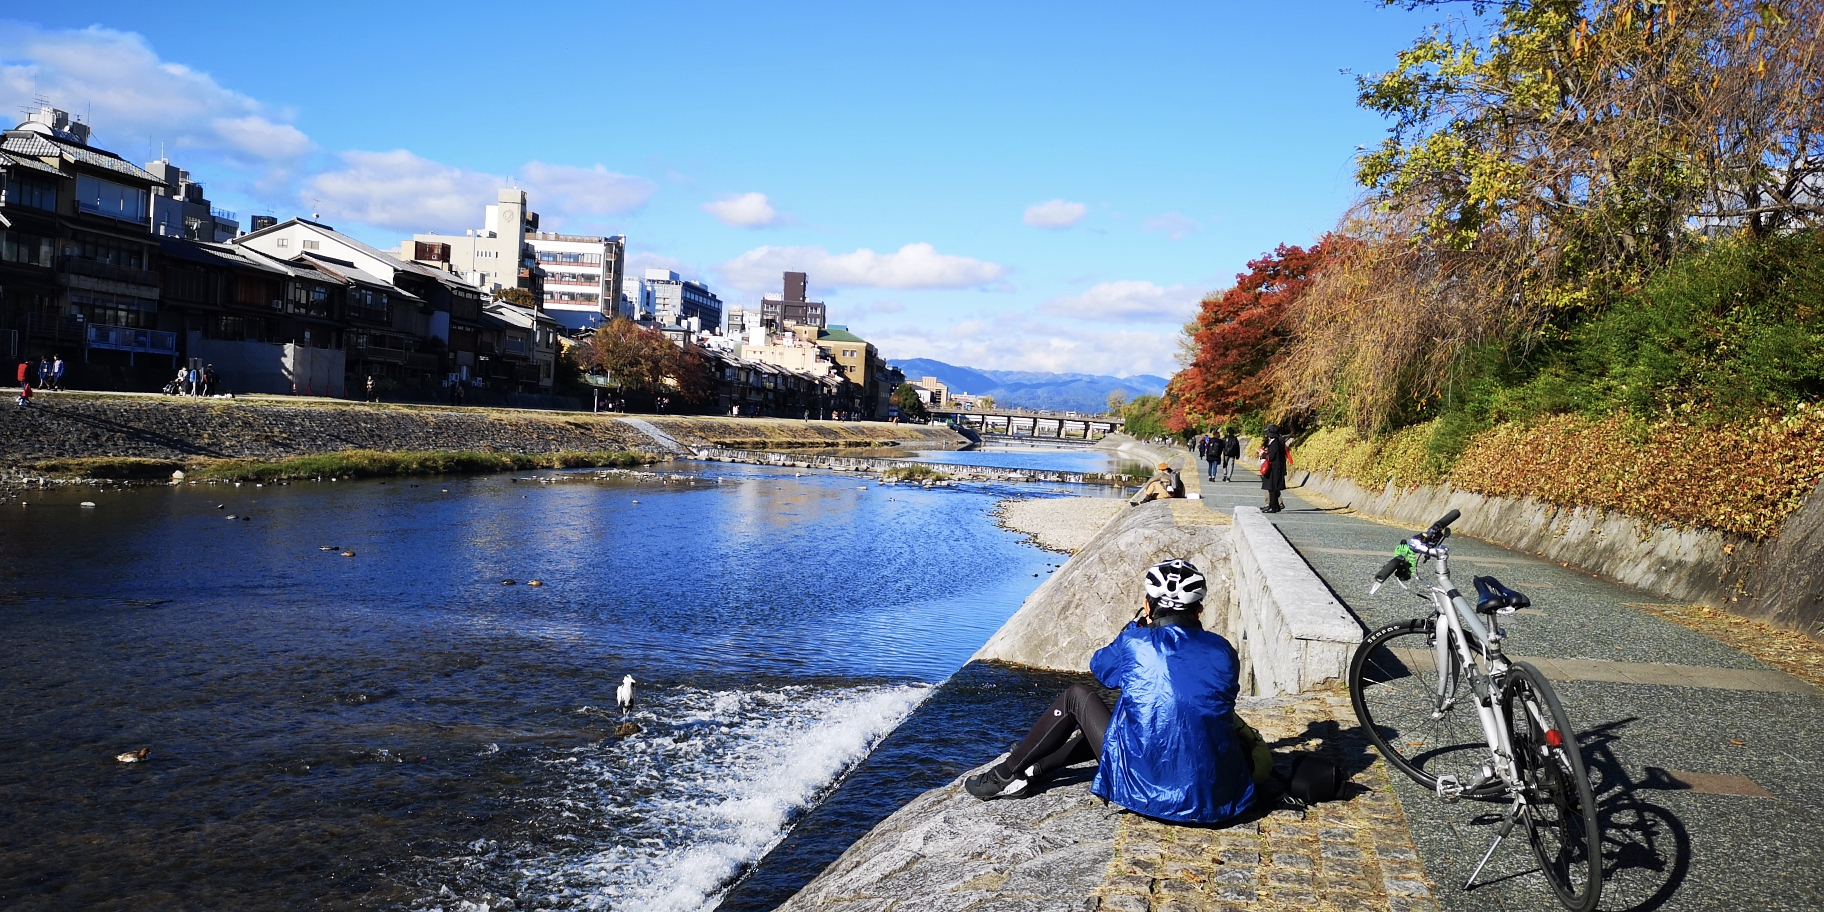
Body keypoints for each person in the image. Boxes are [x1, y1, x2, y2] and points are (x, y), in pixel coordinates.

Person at [964, 559, 1258, 826]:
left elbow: (1101, 669)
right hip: (1215, 795)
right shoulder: (1223, 650)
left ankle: (1005, 774)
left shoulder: (1136, 641)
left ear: (1147, 606)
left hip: (1147, 788)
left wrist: (1133, 627)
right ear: (1199, 611)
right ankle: (1038, 767)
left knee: (1077, 697)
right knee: (1129, 716)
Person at [1260, 424, 1289, 513]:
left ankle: (1273, 506)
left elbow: (1271, 456)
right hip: (1274, 468)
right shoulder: (1277, 442)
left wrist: (1263, 454)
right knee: (1272, 488)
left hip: (1274, 469)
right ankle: (1275, 506)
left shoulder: (1275, 443)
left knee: (1272, 488)